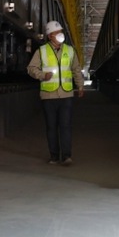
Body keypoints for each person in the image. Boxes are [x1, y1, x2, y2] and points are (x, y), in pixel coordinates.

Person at [27, 20, 85, 165]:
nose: (60, 35)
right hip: (49, 95)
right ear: (50, 36)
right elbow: (31, 68)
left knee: (65, 126)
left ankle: (67, 156)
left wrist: (80, 86)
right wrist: (42, 75)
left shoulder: (70, 50)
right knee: (51, 127)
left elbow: (76, 69)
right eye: (56, 33)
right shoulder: (42, 51)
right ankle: (54, 156)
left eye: (60, 32)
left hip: (66, 95)